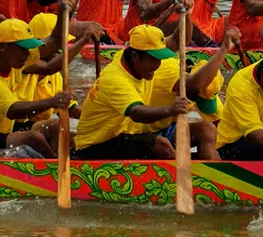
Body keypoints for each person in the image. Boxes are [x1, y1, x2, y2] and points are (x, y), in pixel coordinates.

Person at [74, 25, 190, 160]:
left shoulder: (129, 56)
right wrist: (170, 110)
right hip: (95, 145)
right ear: (135, 55)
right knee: (161, 146)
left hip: (126, 135)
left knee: (202, 130)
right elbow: (137, 113)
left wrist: (186, 12)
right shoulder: (116, 79)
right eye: (153, 59)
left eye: (160, 58)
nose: (158, 65)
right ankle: (192, 177)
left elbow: (178, 40)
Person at [141, 25, 235, 161]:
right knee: (164, 146)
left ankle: (214, 171)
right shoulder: (169, 74)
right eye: (196, 97)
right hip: (145, 128)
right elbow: (179, 38)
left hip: (170, 127)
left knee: (207, 131)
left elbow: (217, 135)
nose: (195, 102)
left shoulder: (214, 100)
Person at [0, 16, 89, 156]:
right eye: (23, 49)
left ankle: (59, 165)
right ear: (2, 47)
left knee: (60, 130)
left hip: (9, 130)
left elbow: (53, 46)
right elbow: (14, 110)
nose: (27, 54)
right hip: (16, 124)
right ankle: (53, 170)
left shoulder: (16, 63)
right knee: (34, 139)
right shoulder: (25, 67)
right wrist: (51, 102)